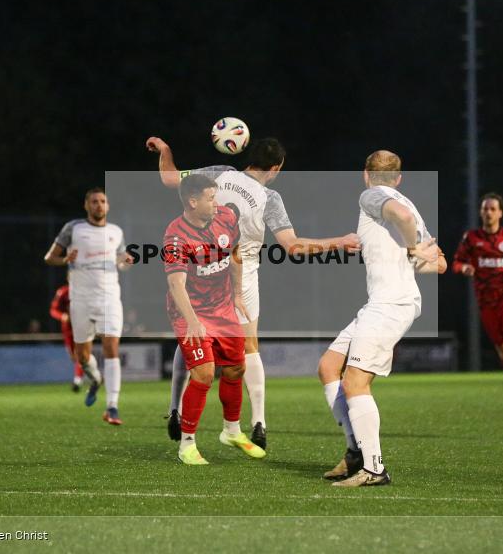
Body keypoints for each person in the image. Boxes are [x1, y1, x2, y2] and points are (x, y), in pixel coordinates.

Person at [147, 135, 360, 450]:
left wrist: (165, 150)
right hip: (241, 275)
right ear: (275, 168)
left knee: (192, 338)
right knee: (249, 347)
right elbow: (293, 247)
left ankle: (175, 409)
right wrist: (338, 242)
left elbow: (168, 178)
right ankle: (258, 422)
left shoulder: (218, 172)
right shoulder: (269, 197)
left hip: (199, 272)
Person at [316, 151, 445, 486]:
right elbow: (439, 264)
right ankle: (355, 452)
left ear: (365, 174)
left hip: (390, 304)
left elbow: (400, 216)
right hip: (385, 302)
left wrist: (411, 247)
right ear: (399, 177)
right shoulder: (410, 204)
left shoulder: (373, 194)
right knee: (329, 366)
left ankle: (374, 469)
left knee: (355, 381)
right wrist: (414, 251)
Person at [162, 173, 265, 464]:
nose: (216, 202)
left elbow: (234, 253)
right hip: (189, 311)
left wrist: (237, 295)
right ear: (193, 202)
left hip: (221, 306)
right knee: (205, 373)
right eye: (210, 198)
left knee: (235, 369)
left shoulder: (226, 217)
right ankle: (187, 444)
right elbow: (176, 285)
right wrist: (193, 321)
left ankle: (231, 431)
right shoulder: (175, 236)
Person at [44, 187, 133, 425]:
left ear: (108, 206)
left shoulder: (116, 232)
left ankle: (112, 407)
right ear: (86, 205)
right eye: (94, 202)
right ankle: (94, 379)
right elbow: (49, 257)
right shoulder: (73, 228)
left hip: (110, 298)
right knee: (82, 356)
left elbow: (121, 261)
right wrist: (64, 259)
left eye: (103, 201)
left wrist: (126, 261)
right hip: (81, 300)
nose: (99, 205)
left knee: (111, 348)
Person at [452, 193, 503, 411]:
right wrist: (465, 268)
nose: (487, 212)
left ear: (500, 213)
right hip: (486, 300)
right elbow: (456, 262)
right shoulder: (471, 238)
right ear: (480, 212)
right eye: (484, 208)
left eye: (492, 209)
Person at [50, 281, 85, 391]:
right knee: (74, 357)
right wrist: (62, 316)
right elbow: (53, 310)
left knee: (81, 354)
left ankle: (77, 381)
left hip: (82, 325)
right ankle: (94, 375)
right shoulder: (63, 292)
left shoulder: (85, 292)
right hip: (68, 328)